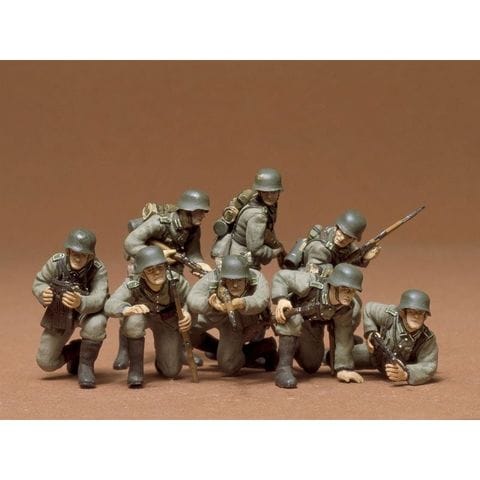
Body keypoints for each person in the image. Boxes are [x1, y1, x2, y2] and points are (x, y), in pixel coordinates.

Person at [113, 189, 213, 370]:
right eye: (199, 212)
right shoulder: (159, 222)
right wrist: (158, 256)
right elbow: (130, 243)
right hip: (145, 271)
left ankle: (179, 349)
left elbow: (193, 254)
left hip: (173, 272)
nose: (203, 215)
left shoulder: (193, 230)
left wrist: (201, 265)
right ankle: (124, 350)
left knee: (178, 309)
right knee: (133, 305)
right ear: (187, 211)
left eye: (204, 212)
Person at [104, 246, 191, 388]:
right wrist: (126, 309)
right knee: (133, 321)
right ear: (142, 274)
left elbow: (190, 299)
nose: (156, 272)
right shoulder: (133, 284)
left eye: (160, 267)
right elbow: (110, 304)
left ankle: (163, 358)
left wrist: (187, 312)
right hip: (143, 317)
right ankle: (136, 370)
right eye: (150, 270)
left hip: (167, 320)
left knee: (171, 371)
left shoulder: (175, 281)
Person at [32, 228, 108, 389]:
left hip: (86, 312)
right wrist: (43, 293)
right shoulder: (56, 262)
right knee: (46, 362)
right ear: (68, 251)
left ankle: (86, 366)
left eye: (83, 254)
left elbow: (100, 298)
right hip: (60, 312)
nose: (78, 258)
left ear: (90, 256)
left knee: (97, 324)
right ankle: (77, 350)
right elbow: (39, 282)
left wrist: (80, 302)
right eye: (74, 253)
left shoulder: (98, 269)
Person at [272, 263, 365, 388]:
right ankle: (283, 369)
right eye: (345, 289)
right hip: (292, 316)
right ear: (334, 286)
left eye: (353, 291)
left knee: (311, 365)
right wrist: (282, 299)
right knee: (294, 318)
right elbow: (281, 276)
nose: (349, 295)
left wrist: (343, 368)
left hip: (311, 326)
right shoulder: (310, 283)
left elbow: (343, 336)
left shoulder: (345, 308)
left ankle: (293, 346)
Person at [187, 255, 277, 376]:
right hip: (214, 313)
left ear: (246, 278)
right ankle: (218, 349)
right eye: (230, 280)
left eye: (239, 280)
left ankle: (264, 346)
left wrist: (242, 303)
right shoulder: (213, 277)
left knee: (229, 366)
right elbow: (193, 298)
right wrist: (209, 303)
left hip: (238, 319)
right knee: (185, 329)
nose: (235, 285)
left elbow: (261, 299)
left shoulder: (256, 277)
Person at [353, 289, 438, 385]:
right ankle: (353, 341)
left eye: (420, 313)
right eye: (411, 311)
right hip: (374, 354)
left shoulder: (427, 339)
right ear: (403, 312)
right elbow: (369, 309)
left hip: (399, 366)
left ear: (425, 316)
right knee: (342, 358)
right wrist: (370, 333)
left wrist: (406, 374)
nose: (416, 316)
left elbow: (429, 365)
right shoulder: (390, 315)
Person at [212, 167, 285, 269]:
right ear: (259, 192)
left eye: (273, 192)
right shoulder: (258, 215)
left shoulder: (262, 203)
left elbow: (268, 229)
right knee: (254, 278)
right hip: (242, 257)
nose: (269, 196)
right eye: (265, 192)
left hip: (238, 250)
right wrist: (274, 252)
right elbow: (256, 249)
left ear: (278, 192)